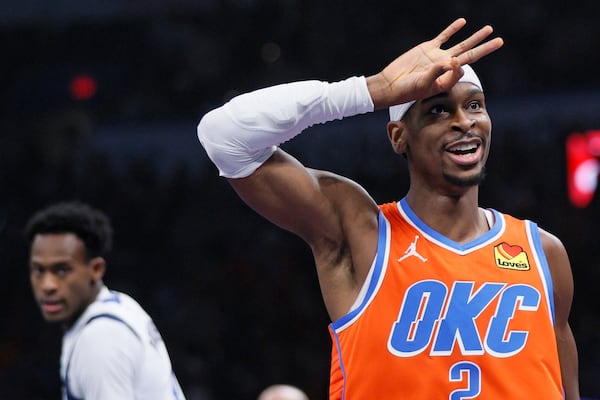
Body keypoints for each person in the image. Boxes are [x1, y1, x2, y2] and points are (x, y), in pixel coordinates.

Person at [197, 17, 580, 399]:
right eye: (438, 111)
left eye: (474, 106)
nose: (464, 122)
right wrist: (373, 91)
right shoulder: (362, 234)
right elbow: (224, 136)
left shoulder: (543, 253)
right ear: (399, 136)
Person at [25, 201, 186, 400]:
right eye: (39, 270)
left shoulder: (99, 340)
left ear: (96, 269)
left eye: (62, 270)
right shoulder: (120, 304)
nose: (48, 285)